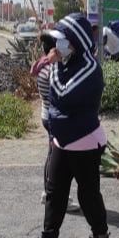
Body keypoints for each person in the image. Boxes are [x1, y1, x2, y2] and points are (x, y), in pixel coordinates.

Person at [18, 13, 112, 238]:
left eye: (62, 41)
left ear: (76, 43)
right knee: (55, 190)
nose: (57, 46)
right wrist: (52, 64)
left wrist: (51, 65)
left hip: (85, 141)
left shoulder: (90, 69)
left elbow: (62, 94)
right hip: (62, 140)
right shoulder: (63, 64)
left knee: (87, 193)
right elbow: (51, 94)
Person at [32, 31, 80, 214]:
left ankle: (48, 192)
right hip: (54, 118)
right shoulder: (52, 70)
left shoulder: (43, 66)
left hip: (47, 115)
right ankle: (56, 196)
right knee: (57, 159)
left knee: (52, 154)